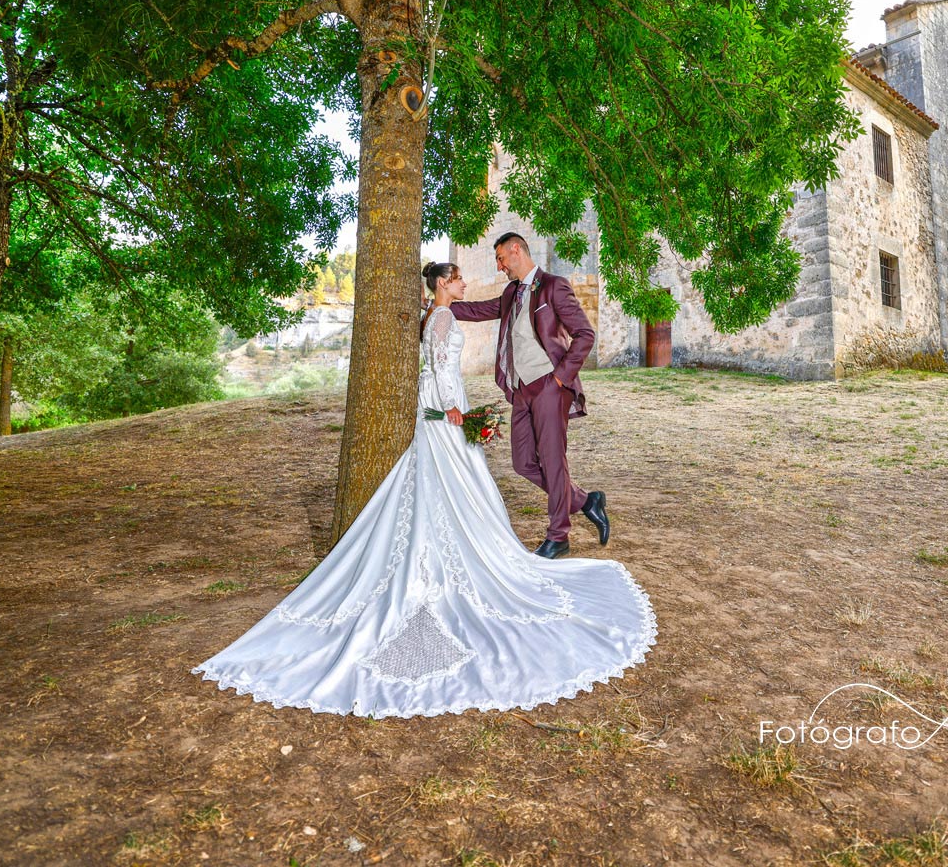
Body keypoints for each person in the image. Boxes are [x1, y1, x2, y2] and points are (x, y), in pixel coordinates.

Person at [190, 262, 656, 718]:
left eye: (466, 274)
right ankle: (571, 511)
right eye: (456, 278)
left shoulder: (466, 308)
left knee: (506, 474)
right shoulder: (444, 316)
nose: (466, 280)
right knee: (490, 475)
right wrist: (451, 410)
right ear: (440, 284)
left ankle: (573, 512)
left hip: (499, 396)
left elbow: (464, 334)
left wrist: (543, 376)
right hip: (447, 412)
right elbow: (435, 370)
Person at [449, 232, 609, 559]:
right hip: (521, 389)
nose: (499, 266)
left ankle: (559, 536)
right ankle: (584, 501)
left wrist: (561, 379)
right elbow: (482, 310)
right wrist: (443, 306)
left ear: (516, 250)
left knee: (552, 460)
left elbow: (585, 334)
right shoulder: (511, 292)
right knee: (523, 463)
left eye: (501, 258)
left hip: (550, 385)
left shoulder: (553, 286)